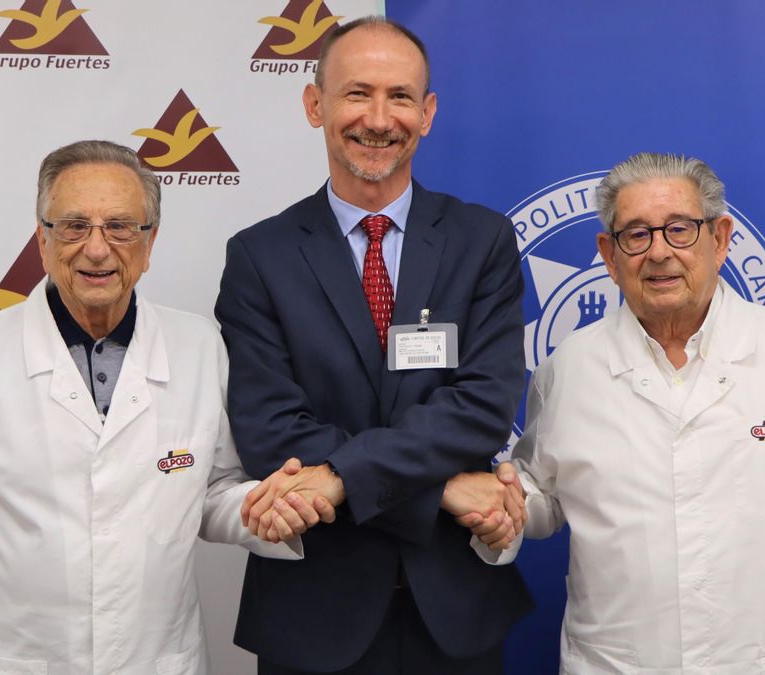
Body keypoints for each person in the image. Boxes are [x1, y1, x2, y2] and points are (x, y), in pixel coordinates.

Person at [0, 140, 332, 674]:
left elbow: (212, 490)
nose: (96, 249)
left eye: (119, 227)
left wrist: (261, 510)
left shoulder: (200, 347)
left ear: (149, 242)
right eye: (72, 226)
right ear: (42, 240)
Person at [487, 152, 765, 673]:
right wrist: (505, 508)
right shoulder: (570, 368)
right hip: (618, 662)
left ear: (720, 239)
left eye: (679, 229)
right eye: (636, 234)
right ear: (609, 254)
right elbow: (544, 499)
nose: (659, 253)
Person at [214, 16, 531, 675]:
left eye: (400, 97)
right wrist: (440, 489)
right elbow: (270, 431)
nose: (378, 119)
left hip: (457, 615)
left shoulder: (483, 242)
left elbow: (481, 408)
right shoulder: (259, 256)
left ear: (428, 112)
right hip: (311, 617)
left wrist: (336, 477)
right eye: (357, 93)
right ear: (315, 104)